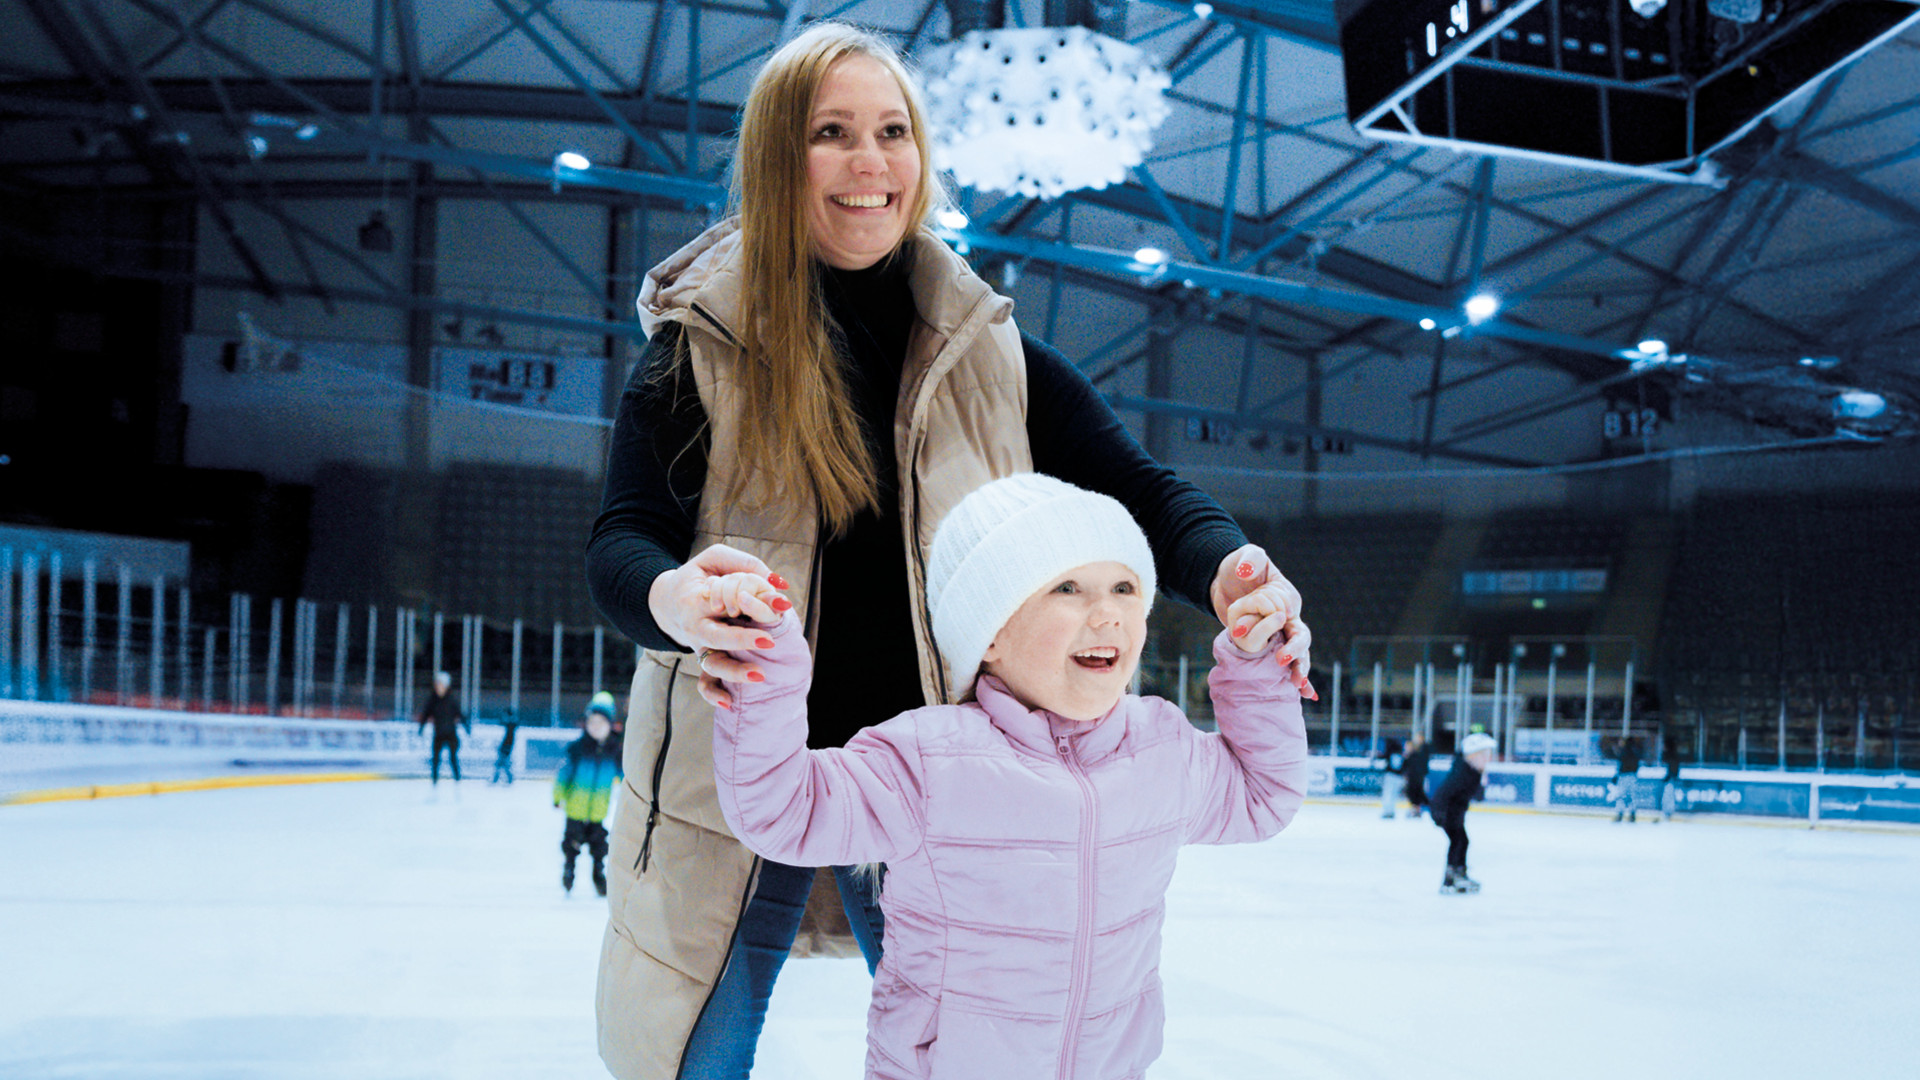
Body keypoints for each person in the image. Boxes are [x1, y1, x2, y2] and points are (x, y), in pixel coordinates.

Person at [582, 22, 1315, 1080]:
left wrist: (1234, 570)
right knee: (695, 1053)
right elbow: (622, 542)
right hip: (725, 778)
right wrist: (672, 597)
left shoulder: (991, 353)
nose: (870, 161)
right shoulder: (701, 345)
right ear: (779, 159)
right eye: (832, 133)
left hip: (941, 784)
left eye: (893, 131)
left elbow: (1146, 492)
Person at [710, 474, 1308, 1078]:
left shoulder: (1160, 748)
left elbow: (1263, 796)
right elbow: (783, 811)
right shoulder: (928, 761)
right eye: (1068, 588)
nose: (1108, 613)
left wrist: (1259, 663)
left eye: (1125, 587)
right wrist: (767, 670)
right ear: (990, 631)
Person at [554, 692, 624, 896]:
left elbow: (623, 775)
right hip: (575, 808)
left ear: (610, 724)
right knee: (571, 844)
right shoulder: (577, 749)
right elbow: (563, 775)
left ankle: (598, 875)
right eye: (592, 722)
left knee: (599, 846)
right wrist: (558, 797)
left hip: (598, 810)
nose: (595, 727)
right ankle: (569, 870)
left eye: (601, 723)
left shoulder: (615, 751)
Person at [1431, 732, 1495, 895]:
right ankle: (1452, 876)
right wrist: (1439, 813)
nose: (1489, 758)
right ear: (1472, 756)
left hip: (1455, 812)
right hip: (1447, 812)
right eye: (1485, 754)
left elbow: (1478, 796)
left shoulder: (1472, 771)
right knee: (1459, 841)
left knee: (1462, 841)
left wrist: (1482, 780)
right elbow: (1445, 793)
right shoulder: (1462, 773)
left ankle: (1457, 874)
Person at [416, 671, 469, 784]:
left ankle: (457, 782)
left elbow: (460, 714)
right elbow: (425, 714)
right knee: (435, 760)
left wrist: (467, 727)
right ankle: (434, 784)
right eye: (437, 685)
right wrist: (421, 728)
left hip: (451, 734)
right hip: (438, 734)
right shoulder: (432, 701)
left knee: (453, 759)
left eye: (441, 685)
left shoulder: (452, 700)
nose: (439, 687)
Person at [1612, 736, 1642, 823]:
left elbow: (1620, 765)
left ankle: (1620, 814)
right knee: (1632, 796)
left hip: (1624, 776)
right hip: (1632, 776)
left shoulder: (1623, 751)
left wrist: (1616, 776)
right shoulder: (1635, 751)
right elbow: (1637, 765)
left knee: (1621, 796)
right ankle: (1632, 814)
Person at [1403, 733, 1431, 820]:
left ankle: (1418, 810)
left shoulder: (1423, 751)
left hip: (1419, 777)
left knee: (1419, 793)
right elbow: (1405, 766)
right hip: (1412, 777)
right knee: (1411, 793)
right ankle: (1415, 810)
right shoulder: (1410, 755)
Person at [1377, 736, 1406, 819]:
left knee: (1388, 794)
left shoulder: (1389, 754)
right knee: (1393, 795)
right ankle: (1391, 811)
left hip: (1390, 776)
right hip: (1398, 777)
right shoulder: (1402, 755)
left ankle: (1387, 811)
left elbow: (1382, 757)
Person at [491, 709, 519, 785]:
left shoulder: (511, 725)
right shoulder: (511, 725)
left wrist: (507, 716)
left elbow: (502, 721)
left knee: (501, 763)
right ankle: (505, 778)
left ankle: (499, 779)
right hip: (505, 745)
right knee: (501, 763)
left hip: (507, 745)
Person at [1660, 738, 1682, 822]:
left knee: (1668, 796)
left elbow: (1672, 768)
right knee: (1667, 796)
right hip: (1670, 779)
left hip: (1670, 779)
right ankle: (1667, 812)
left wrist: (1669, 777)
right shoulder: (1669, 755)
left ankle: (1668, 813)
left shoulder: (1671, 755)